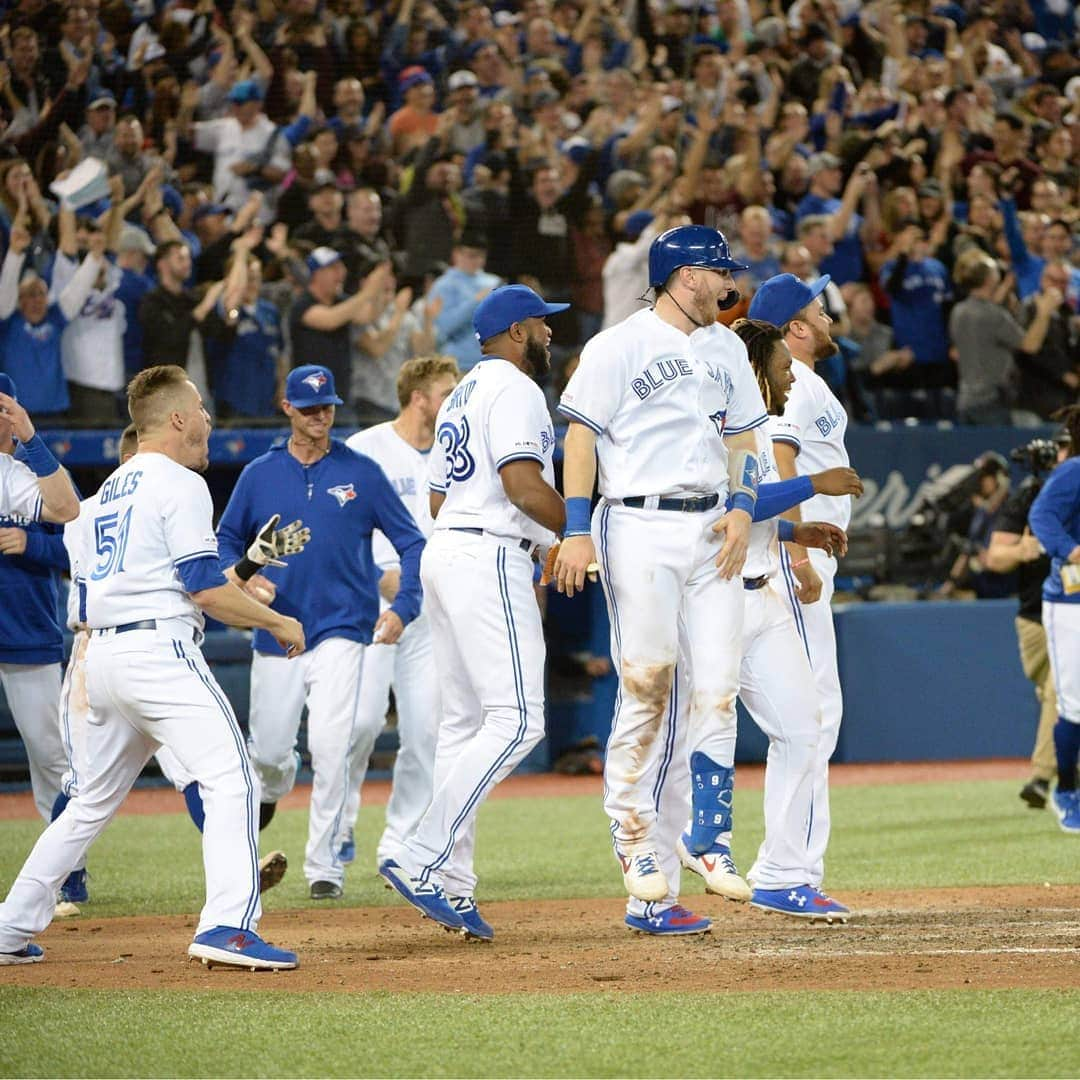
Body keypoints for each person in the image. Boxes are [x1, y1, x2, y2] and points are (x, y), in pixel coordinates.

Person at [0, 365, 304, 969]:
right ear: (176, 418)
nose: (209, 419)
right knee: (232, 779)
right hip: (156, 652)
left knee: (87, 804)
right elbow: (202, 589)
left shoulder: (104, 492)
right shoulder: (181, 482)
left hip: (98, 660)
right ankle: (228, 927)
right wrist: (276, 621)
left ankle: (8, 928)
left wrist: (240, 574)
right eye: (201, 407)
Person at [553, 225, 768, 914]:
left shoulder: (728, 345)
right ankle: (634, 829)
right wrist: (577, 529)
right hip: (639, 521)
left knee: (718, 683)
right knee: (647, 678)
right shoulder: (617, 345)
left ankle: (710, 832)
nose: (729, 284)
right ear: (685, 276)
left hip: (713, 526)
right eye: (718, 273)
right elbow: (580, 436)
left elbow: (744, 439)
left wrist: (743, 505)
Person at [379, 285, 566, 941]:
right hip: (486, 556)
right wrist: (568, 529)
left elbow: (435, 500)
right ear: (516, 331)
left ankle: (452, 886)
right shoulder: (514, 389)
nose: (549, 335)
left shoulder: (461, 392)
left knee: (463, 728)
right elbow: (520, 484)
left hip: (449, 551)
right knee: (518, 720)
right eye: (542, 326)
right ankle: (418, 850)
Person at [216, 365, 426, 901]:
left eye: (328, 406)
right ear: (286, 407)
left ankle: (325, 863)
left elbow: (411, 542)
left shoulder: (363, 471)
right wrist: (249, 574)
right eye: (309, 408)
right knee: (268, 751)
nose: (321, 417)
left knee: (333, 745)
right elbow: (223, 541)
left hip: (342, 627)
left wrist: (405, 603)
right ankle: (274, 785)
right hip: (276, 630)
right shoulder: (259, 474)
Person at [726, 318, 862, 922]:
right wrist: (800, 550)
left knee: (806, 723)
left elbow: (752, 499)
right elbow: (753, 485)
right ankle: (776, 868)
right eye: (781, 366)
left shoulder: (775, 401)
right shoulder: (753, 409)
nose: (790, 375)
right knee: (675, 732)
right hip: (735, 588)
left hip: (762, 576)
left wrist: (796, 532)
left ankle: (783, 872)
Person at [340, 355, 460, 869]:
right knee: (360, 722)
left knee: (427, 729)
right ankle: (339, 826)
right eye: (447, 394)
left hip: (431, 608)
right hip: (372, 603)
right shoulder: (366, 449)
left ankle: (401, 841)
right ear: (420, 399)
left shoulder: (457, 454)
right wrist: (374, 574)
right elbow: (336, 530)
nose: (454, 402)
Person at [0, 373, 74, 889]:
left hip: (25, 631)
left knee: (50, 756)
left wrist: (33, 546)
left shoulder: (32, 474)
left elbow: (75, 530)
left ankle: (69, 870)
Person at [985, 436, 1069, 810]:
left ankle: (1042, 776)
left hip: (1073, 609)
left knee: (1060, 691)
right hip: (1034, 616)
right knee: (1053, 694)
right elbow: (995, 557)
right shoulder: (1030, 496)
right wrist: (1023, 549)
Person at [1028, 407, 1080, 834]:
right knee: (1075, 705)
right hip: (1071, 602)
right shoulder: (1074, 469)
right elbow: (1041, 516)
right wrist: (1071, 549)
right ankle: (1066, 791)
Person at [949, 255, 1062, 425]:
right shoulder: (993, 315)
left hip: (966, 401)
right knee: (1032, 425)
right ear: (989, 279)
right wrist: (1044, 312)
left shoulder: (958, 311)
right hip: (991, 402)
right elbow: (1030, 345)